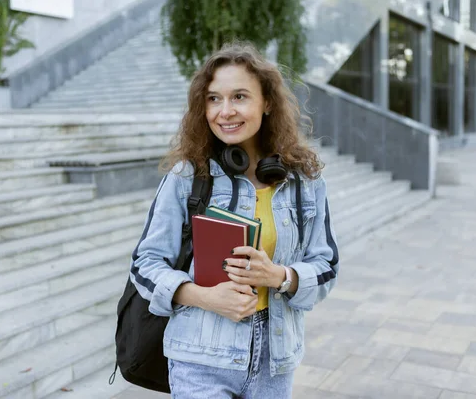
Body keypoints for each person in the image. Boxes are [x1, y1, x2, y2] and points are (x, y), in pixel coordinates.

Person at [129, 42, 339, 398]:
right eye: (213, 99)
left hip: (276, 361)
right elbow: (144, 265)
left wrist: (281, 276)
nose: (224, 111)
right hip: (200, 359)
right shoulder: (187, 176)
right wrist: (203, 296)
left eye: (239, 97)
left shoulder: (303, 181)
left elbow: (326, 266)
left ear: (267, 102)